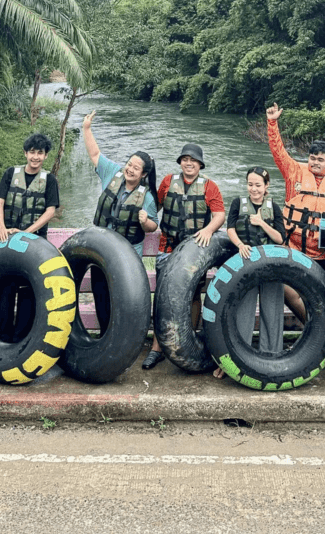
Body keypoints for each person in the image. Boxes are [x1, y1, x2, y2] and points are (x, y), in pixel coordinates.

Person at [265, 103, 325, 322]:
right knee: (289, 291)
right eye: (312, 158)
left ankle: (321, 330)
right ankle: (312, 326)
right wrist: (272, 123)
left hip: (321, 255)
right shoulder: (294, 175)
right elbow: (278, 152)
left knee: (322, 296)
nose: (315, 163)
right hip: (293, 250)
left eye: (320, 160)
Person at [143, 141, 226, 369]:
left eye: (193, 160)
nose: (189, 163)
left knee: (193, 296)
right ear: (180, 162)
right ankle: (157, 347)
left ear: (200, 165)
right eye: (185, 159)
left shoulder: (210, 187)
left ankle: (188, 340)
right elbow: (154, 207)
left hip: (194, 251)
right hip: (167, 246)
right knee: (162, 297)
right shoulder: (168, 182)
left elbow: (220, 215)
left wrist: (208, 230)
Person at [82, 110, 159, 331]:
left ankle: (122, 337)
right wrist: (87, 128)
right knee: (100, 293)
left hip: (126, 255)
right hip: (102, 249)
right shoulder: (112, 173)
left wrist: (145, 222)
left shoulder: (147, 196)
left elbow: (153, 225)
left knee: (121, 297)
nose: (130, 169)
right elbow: (95, 153)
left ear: (143, 174)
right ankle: (105, 333)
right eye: (130, 164)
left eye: (136, 168)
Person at [214, 166, 286, 379]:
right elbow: (230, 228)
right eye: (250, 184)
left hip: (270, 265)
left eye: (258, 185)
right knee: (243, 311)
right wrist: (239, 245)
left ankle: (271, 355)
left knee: (272, 310)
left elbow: (280, 239)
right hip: (245, 263)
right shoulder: (238, 203)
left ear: (266, 187)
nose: (254, 189)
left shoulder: (274, 207)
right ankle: (239, 359)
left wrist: (261, 222)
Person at [0, 133, 60, 340]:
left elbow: (50, 211)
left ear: (46, 156)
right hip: (9, 239)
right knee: (7, 286)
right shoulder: (10, 173)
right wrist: (2, 227)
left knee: (28, 289)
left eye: (40, 153)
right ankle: (2, 336)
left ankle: (23, 337)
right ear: (25, 153)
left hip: (36, 243)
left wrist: (27, 232)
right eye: (32, 152)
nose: (36, 157)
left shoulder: (49, 180)